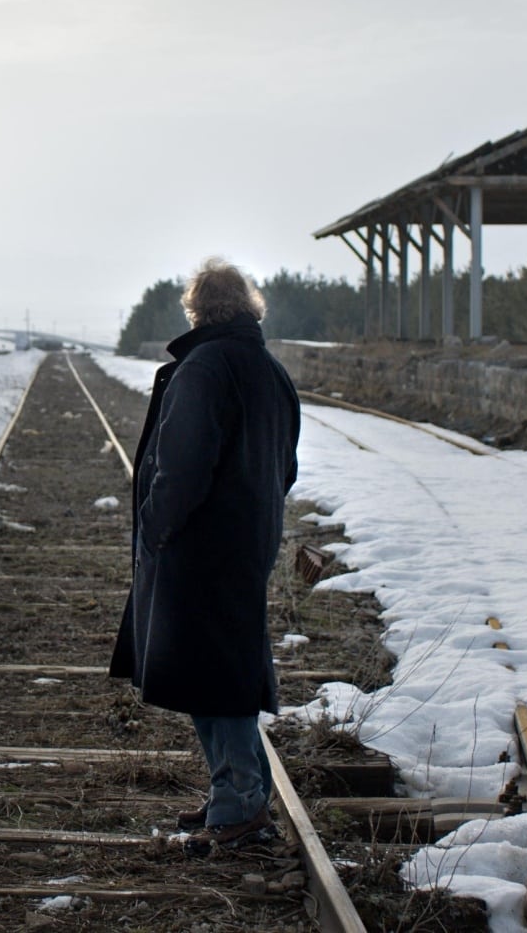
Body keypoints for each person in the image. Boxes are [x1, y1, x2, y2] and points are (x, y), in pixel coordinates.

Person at [109, 257, 302, 855]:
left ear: (196, 310)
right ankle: (230, 797)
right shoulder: (269, 370)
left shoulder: (205, 367)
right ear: (250, 307)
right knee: (214, 675)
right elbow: (287, 465)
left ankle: (243, 805)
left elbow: (182, 466)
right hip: (244, 541)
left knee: (219, 681)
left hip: (198, 545)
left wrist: (156, 529)